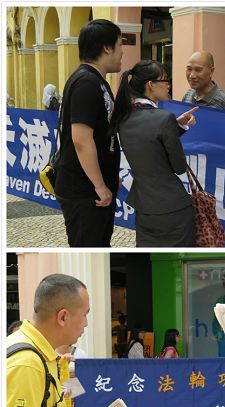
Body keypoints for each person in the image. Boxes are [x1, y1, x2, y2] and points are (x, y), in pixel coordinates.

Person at [7, 274, 110, 407]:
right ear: (63, 317)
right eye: (85, 315)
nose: (86, 323)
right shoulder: (27, 363)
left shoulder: (36, 351)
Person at [110, 60, 197, 247]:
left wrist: (177, 127)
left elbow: (149, 145)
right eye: (165, 80)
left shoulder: (123, 118)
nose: (169, 85)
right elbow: (179, 167)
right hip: (174, 209)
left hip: (145, 208)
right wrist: (173, 128)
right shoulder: (164, 118)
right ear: (150, 85)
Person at [54, 19, 123, 247]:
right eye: (120, 44)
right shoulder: (86, 83)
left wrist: (109, 177)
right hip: (84, 192)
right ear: (106, 47)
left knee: (100, 244)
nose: (122, 52)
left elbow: (103, 135)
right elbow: (81, 140)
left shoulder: (96, 81)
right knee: (89, 245)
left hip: (92, 188)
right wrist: (100, 185)